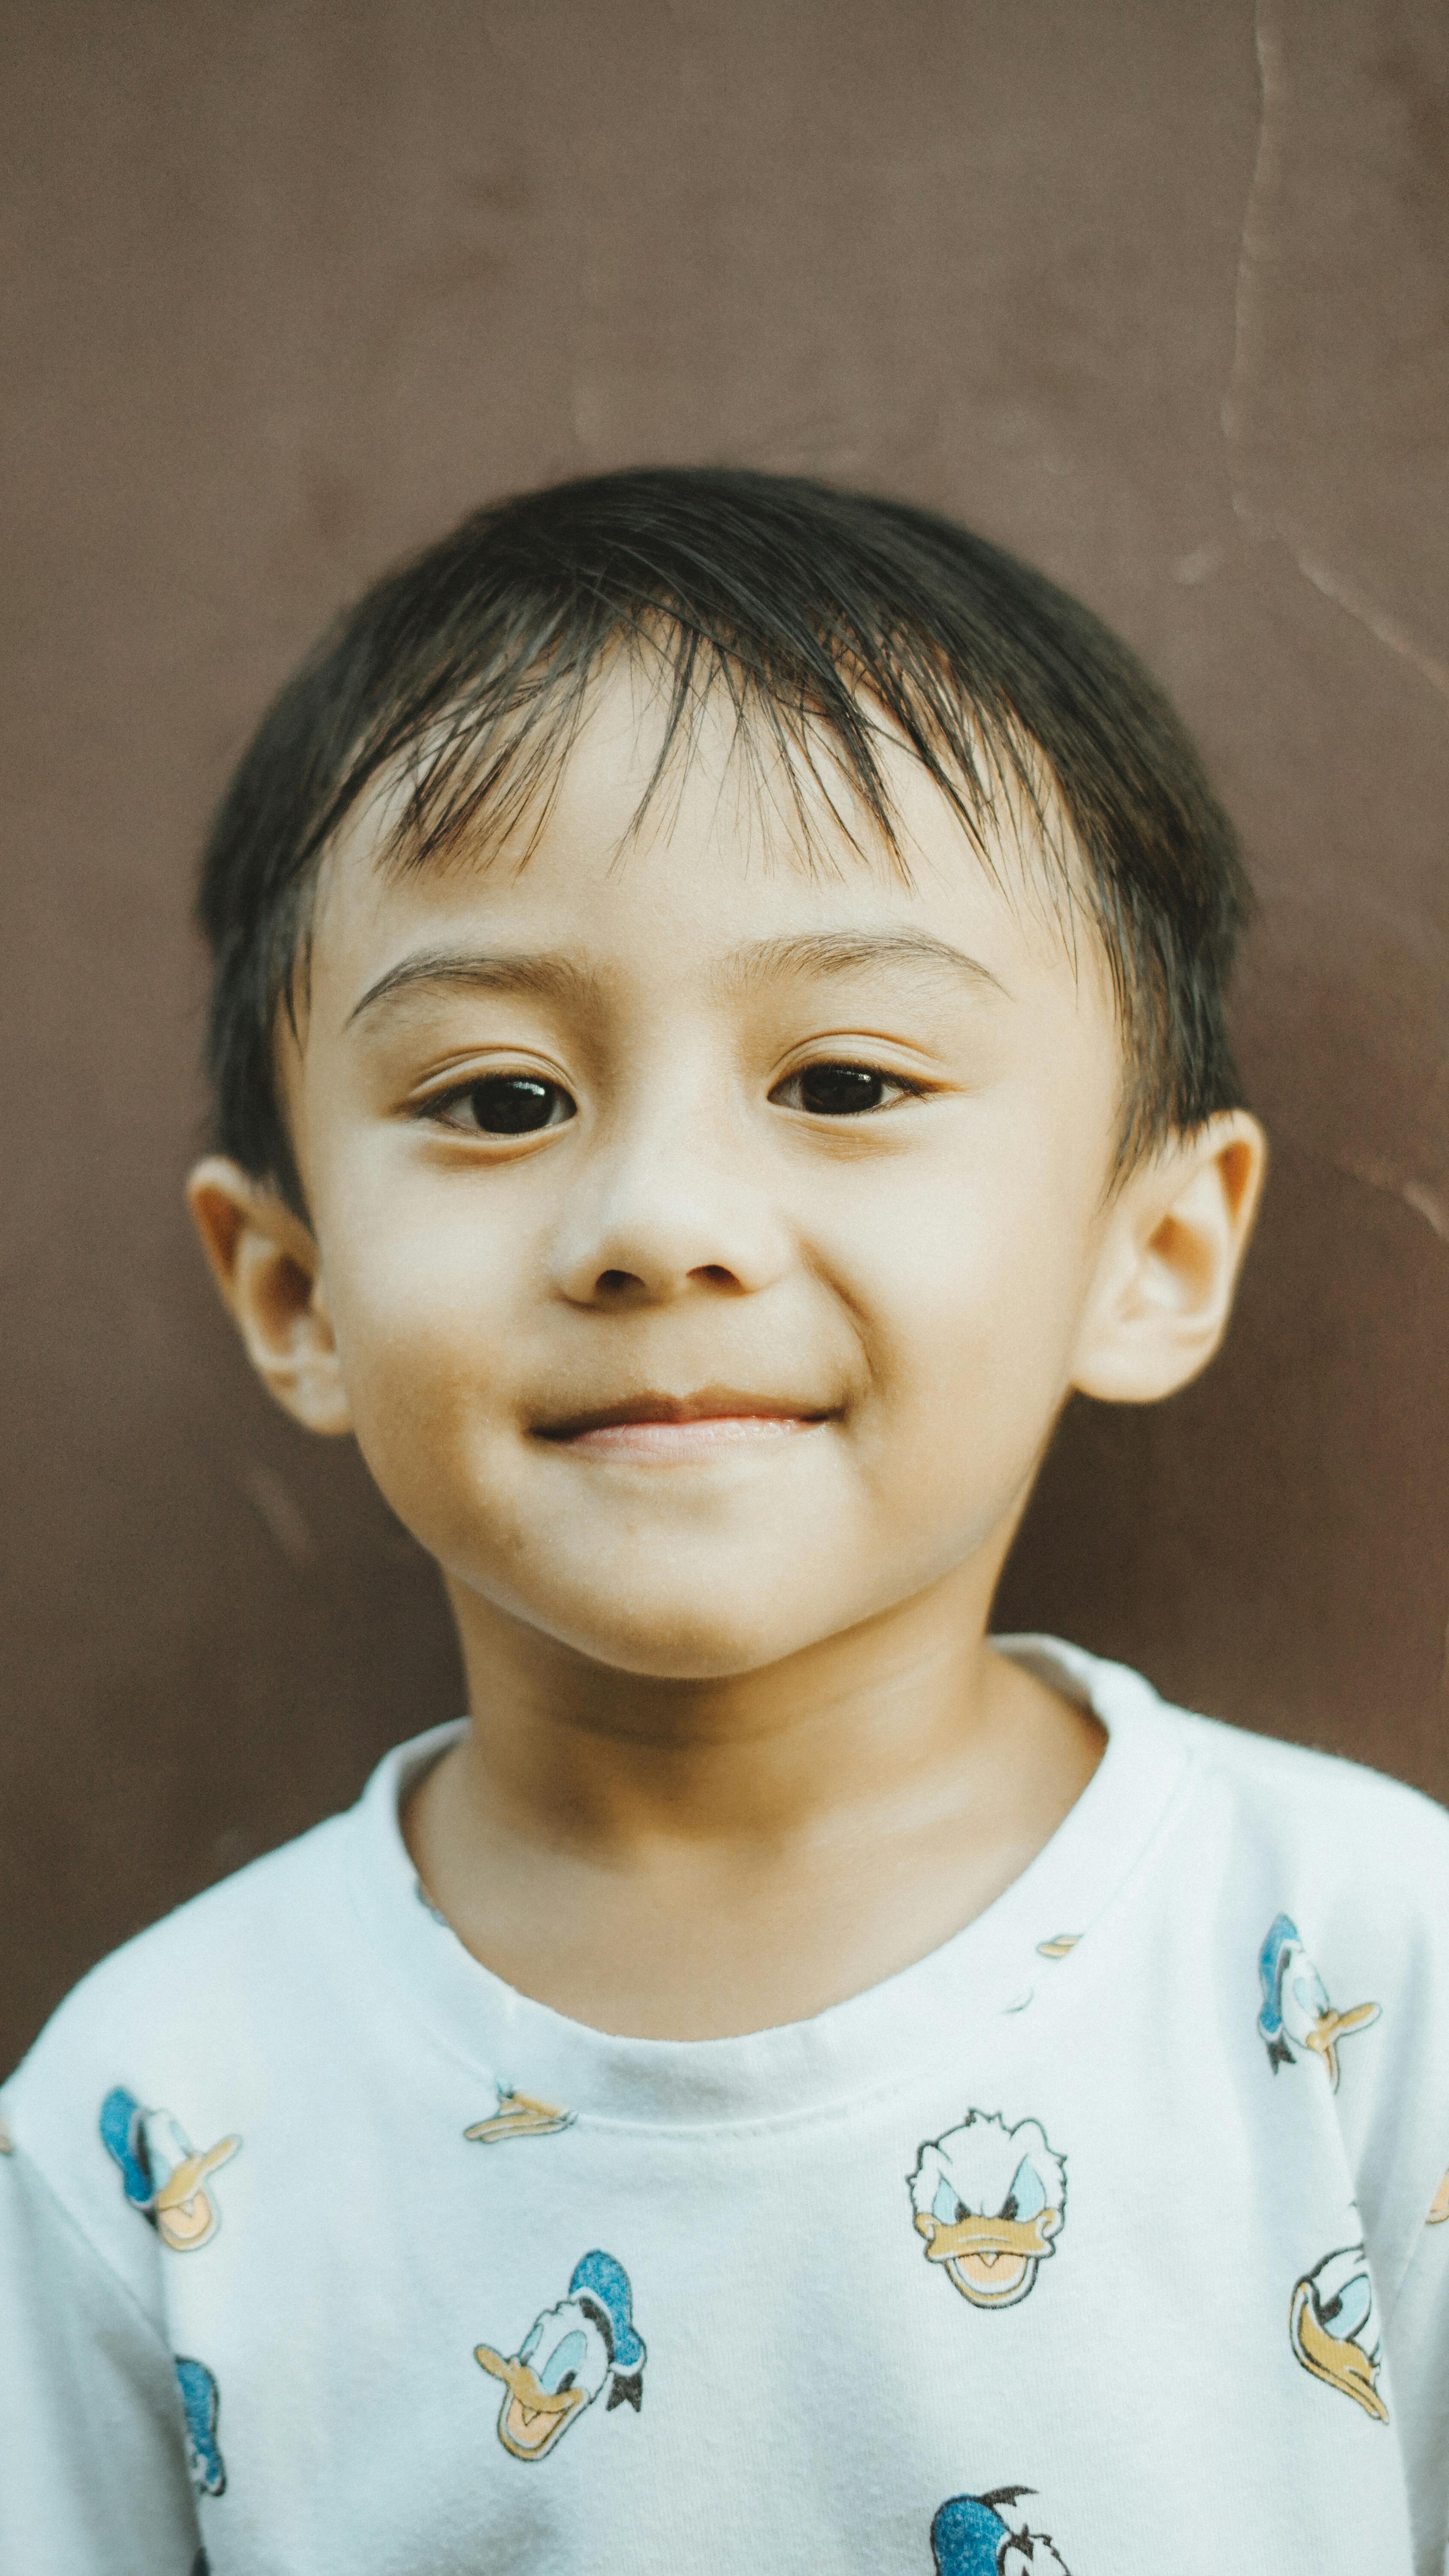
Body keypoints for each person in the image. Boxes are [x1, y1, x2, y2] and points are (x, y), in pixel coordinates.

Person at [2, 468, 1446, 2576]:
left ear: (1148, 1253)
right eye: (499, 1098)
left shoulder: (1363, 1972)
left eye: (845, 1080)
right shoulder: (154, 2122)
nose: (659, 1221)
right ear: (294, 1296)